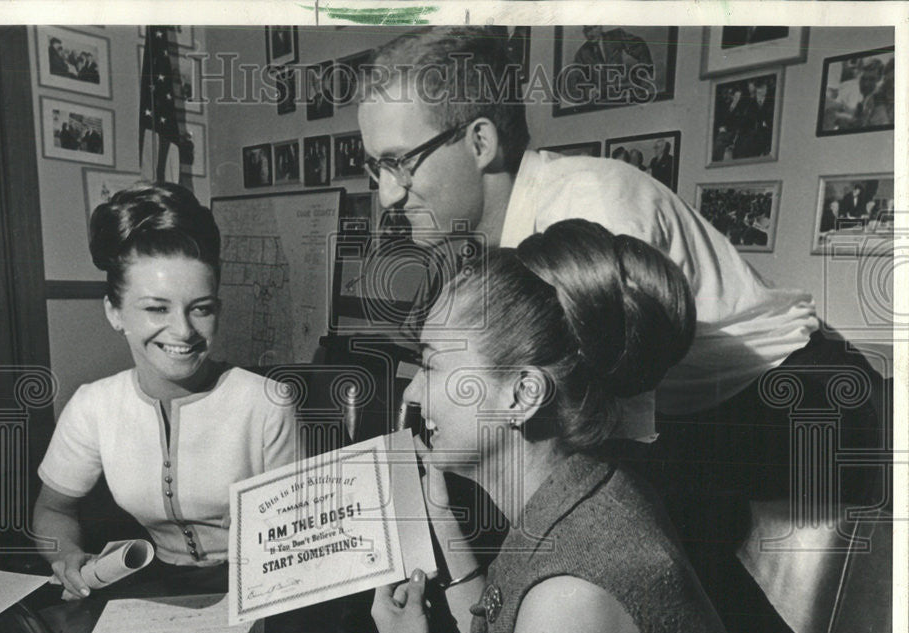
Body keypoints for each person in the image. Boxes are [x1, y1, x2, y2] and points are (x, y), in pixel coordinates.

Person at [357, 26, 884, 509]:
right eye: (375, 167)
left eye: (399, 162)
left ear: (480, 142)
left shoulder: (588, 205)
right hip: (692, 417)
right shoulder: (490, 241)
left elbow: (602, 436)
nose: (386, 195)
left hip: (794, 406)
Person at [372, 219, 777, 633]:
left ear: (522, 395)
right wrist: (442, 519)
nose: (414, 393)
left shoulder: (574, 594)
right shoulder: (590, 491)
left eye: (429, 364)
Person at [33, 183, 298, 599]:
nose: (184, 331)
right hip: (151, 584)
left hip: (261, 588)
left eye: (201, 308)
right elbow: (52, 510)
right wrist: (66, 555)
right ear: (115, 312)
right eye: (157, 308)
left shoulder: (267, 403)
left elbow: (294, 539)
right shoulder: (93, 405)